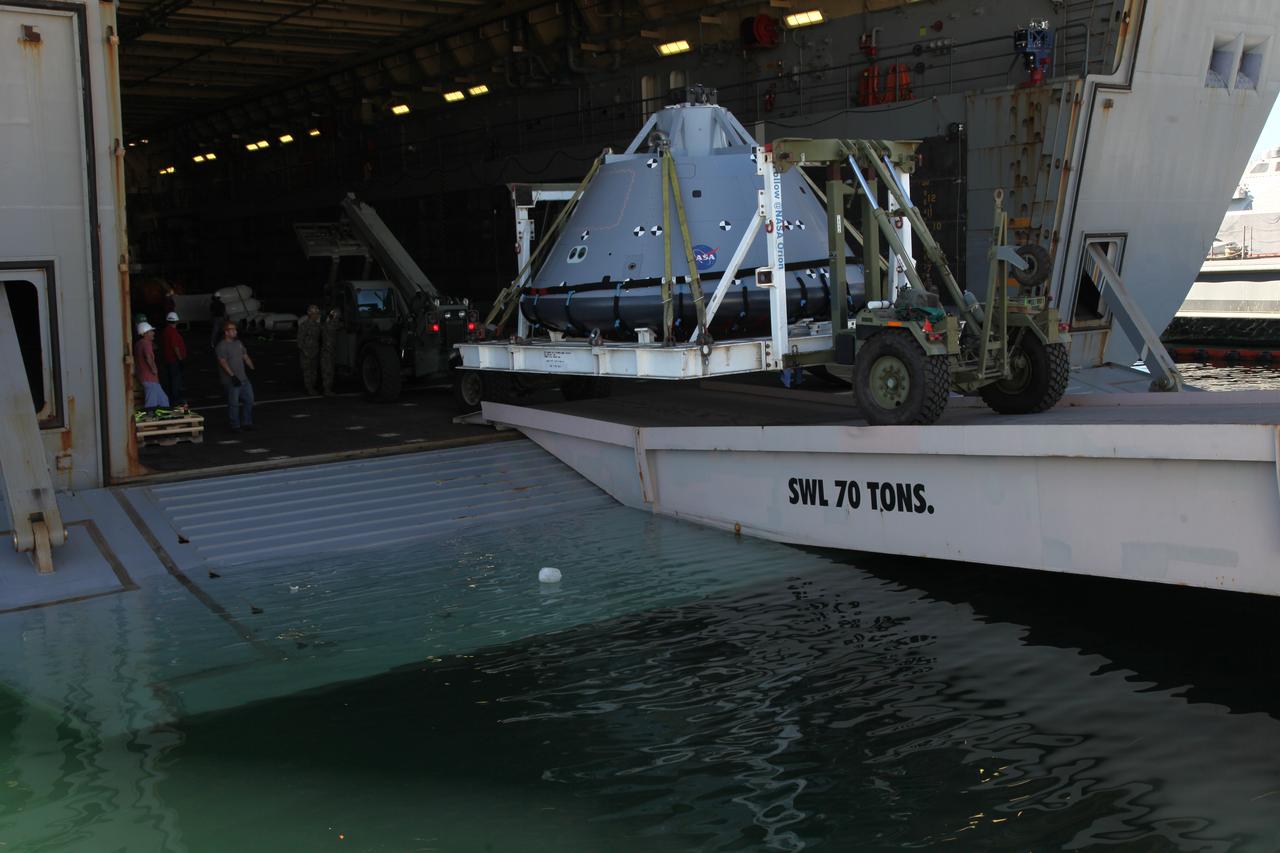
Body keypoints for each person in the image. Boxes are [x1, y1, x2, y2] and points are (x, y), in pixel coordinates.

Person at [215, 320, 256, 432]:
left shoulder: (238, 343)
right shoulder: (222, 346)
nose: (235, 331)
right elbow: (222, 362)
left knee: (249, 400)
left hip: (243, 378)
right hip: (231, 380)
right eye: (232, 329)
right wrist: (232, 376)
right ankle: (235, 425)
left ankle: (247, 422)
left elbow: (245, 356)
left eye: (235, 329)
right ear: (226, 332)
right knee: (234, 403)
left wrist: (252, 368)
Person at [133, 322, 170, 415]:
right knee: (151, 403)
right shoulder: (146, 343)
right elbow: (148, 357)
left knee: (163, 400)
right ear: (145, 333)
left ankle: (163, 420)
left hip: (148, 378)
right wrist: (154, 369)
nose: (153, 333)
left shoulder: (138, 344)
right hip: (149, 378)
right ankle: (149, 422)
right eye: (151, 331)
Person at [159, 311, 188, 407]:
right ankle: (176, 399)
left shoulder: (166, 331)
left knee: (172, 380)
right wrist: (180, 359)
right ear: (176, 321)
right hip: (174, 361)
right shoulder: (173, 332)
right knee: (176, 381)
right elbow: (175, 346)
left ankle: (173, 398)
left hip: (168, 360)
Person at [297, 304, 322, 395]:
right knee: (307, 372)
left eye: (317, 313)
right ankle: (309, 389)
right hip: (306, 353)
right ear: (310, 314)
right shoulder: (304, 325)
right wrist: (305, 352)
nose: (317, 315)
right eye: (315, 313)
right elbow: (300, 341)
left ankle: (312, 388)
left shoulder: (318, 325)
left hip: (315, 352)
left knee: (314, 372)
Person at [320, 307, 342, 396]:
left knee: (328, 370)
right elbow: (340, 325)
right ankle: (327, 390)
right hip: (328, 351)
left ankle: (327, 389)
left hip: (328, 351)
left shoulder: (326, 324)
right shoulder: (332, 324)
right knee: (328, 371)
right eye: (338, 315)